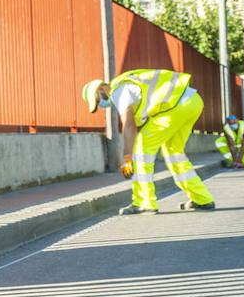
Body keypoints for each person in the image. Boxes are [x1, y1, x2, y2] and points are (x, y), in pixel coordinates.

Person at [81, 68, 216, 215]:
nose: (100, 104)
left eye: (97, 100)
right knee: (174, 153)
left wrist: (127, 157)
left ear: (101, 89)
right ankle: (202, 198)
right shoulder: (127, 82)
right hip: (192, 101)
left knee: (141, 151)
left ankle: (144, 202)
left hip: (175, 106)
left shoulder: (119, 91)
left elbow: (128, 125)